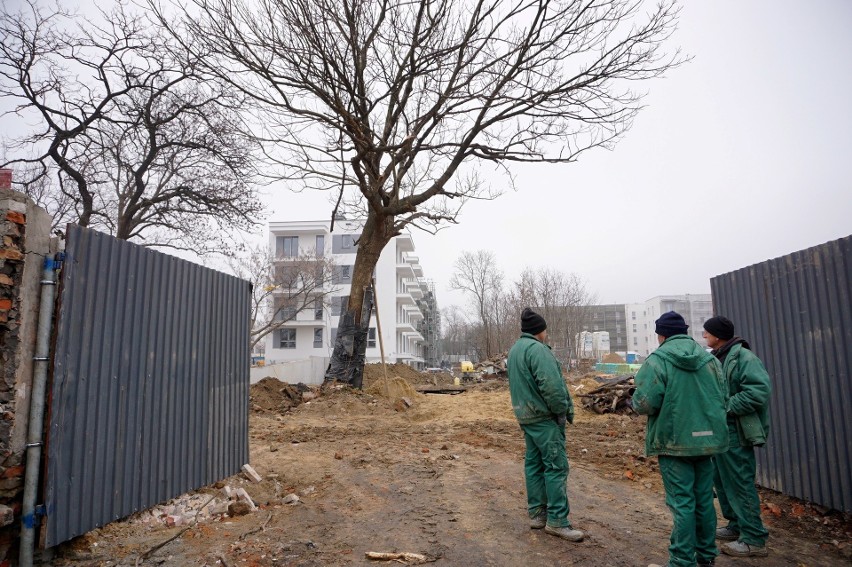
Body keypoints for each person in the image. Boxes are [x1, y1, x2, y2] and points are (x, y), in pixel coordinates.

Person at [634, 311, 728, 567]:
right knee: (703, 501)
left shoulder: (658, 360)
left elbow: (644, 403)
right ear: (685, 332)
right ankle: (706, 556)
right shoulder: (711, 361)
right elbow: (724, 397)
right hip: (706, 442)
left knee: (682, 503)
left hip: (675, 443)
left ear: (661, 335)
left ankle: (681, 561)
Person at [507, 308, 583, 542]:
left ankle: (537, 515)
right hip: (543, 418)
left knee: (534, 464)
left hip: (527, 417)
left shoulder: (515, 350)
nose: (547, 333)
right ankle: (558, 521)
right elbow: (552, 386)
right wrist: (561, 411)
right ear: (539, 330)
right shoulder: (537, 350)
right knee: (556, 466)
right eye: (545, 329)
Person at [702, 315, 771, 558]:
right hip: (721, 430)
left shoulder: (744, 357)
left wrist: (727, 407)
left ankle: (754, 538)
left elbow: (758, 391)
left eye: (706, 332)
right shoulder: (719, 357)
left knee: (739, 482)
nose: (703, 336)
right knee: (721, 480)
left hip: (737, 430)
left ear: (718, 335)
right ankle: (736, 525)